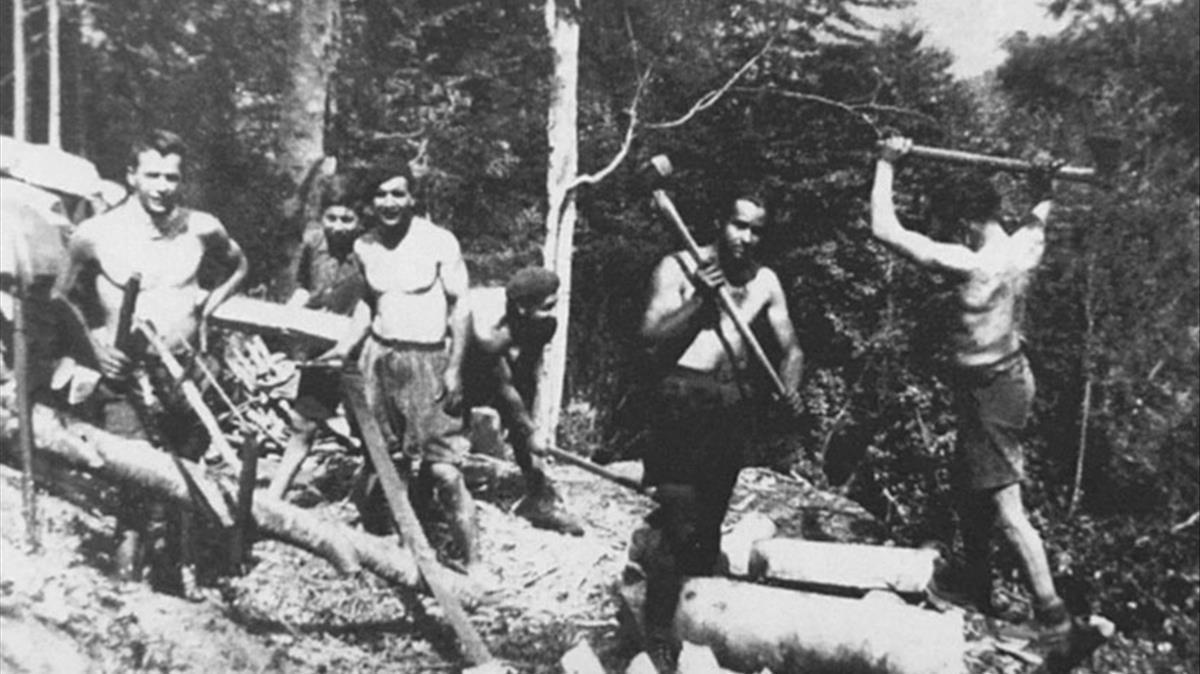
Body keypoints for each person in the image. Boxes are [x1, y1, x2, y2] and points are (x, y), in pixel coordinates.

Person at [868, 135, 1071, 638]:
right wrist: (1043, 182)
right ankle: (978, 588)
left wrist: (886, 163)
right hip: (1006, 381)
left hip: (991, 390)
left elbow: (882, 228)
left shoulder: (968, 263)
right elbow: (1040, 213)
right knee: (969, 492)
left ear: (961, 222)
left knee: (1006, 508)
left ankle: (1054, 618)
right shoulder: (1023, 247)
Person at [55, 129, 248, 591]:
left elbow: (239, 266)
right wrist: (95, 344)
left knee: (185, 476)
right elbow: (61, 298)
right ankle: (125, 589)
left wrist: (208, 307)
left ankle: (175, 584)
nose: (163, 186)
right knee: (136, 480)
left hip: (188, 373)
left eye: (172, 177)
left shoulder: (202, 228)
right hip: (127, 376)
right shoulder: (96, 234)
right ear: (131, 177)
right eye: (153, 176)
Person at [638, 193, 805, 670]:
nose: (746, 238)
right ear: (719, 222)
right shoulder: (678, 267)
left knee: (708, 527)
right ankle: (654, 638)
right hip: (679, 402)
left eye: (756, 230)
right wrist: (701, 302)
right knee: (677, 522)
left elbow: (792, 348)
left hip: (729, 409)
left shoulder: (765, 282)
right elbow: (650, 340)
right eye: (738, 225)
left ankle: (696, 631)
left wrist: (789, 387)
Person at [321, 163, 479, 575]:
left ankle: (474, 561)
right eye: (380, 195)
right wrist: (344, 348)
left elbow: (461, 307)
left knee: (444, 470)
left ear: (412, 197)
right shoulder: (365, 245)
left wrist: (455, 367)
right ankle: (396, 546)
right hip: (379, 358)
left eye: (397, 194)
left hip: (429, 361)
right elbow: (367, 304)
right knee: (384, 460)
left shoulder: (438, 241)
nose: (388, 203)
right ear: (369, 202)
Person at [460, 267, 585, 536]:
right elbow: (501, 381)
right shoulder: (487, 322)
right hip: (461, 364)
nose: (552, 313)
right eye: (546, 307)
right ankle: (427, 501)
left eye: (554, 304)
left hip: (495, 365)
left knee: (522, 423)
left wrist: (527, 428)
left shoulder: (543, 322)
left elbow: (524, 376)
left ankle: (537, 499)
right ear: (520, 307)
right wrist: (529, 428)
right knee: (447, 430)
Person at [268, 174, 367, 499]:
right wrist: (292, 312)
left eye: (347, 219)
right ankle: (271, 500)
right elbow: (302, 287)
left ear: (360, 219)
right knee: (304, 424)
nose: (338, 226)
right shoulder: (313, 244)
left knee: (371, 430)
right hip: (322, 349)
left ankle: (379, 503)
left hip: (361, 352)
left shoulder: (369, 250)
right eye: (331, 218)